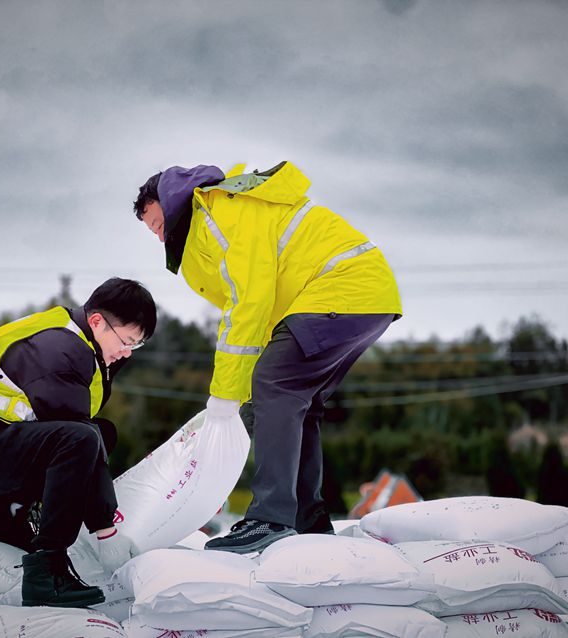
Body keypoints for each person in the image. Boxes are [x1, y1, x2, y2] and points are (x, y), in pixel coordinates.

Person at [134, 161, 402, 553]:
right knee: (297, 401)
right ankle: (306, 520)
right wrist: (242, 398)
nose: (160, 238)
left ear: (172, 201)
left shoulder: (219, 211)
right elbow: (260, 326)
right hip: (363, 295)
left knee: (275, 384)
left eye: (157, 224)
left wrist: (224, 396)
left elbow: (248, 303)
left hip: (340, 287)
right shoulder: (232, 209)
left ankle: (269, 518)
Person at [0, 278, 157, 607]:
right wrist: (106, 531)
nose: (127, 351)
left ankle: (7, 519)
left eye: (137, 344)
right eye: (127, 340)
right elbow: (76, 438)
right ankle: (47, 573)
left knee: (98, 434)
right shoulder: (61, 347)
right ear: (97, 322)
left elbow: (80, 432)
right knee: (81, 440)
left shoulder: (81, 344)